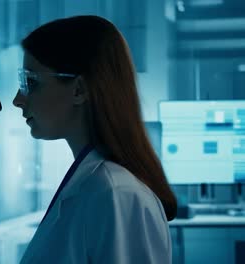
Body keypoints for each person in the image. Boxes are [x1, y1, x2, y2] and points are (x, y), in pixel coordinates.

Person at [12, 15, 177, 264]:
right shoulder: (94, 184)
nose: (18, 99)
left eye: (31, 82)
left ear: (79, 89)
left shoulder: (115, 192)